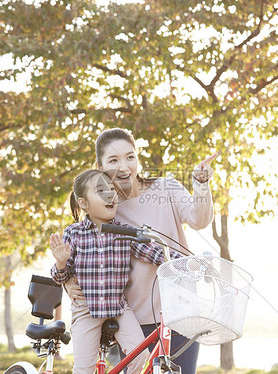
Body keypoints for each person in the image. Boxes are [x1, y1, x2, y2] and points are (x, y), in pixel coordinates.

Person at [61, 128, 216, 374]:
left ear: (137, 159)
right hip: (137, 319)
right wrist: (67, 281)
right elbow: (79, 251)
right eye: (113, 160)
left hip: (183, 310)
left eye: (130, 157)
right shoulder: (106, 210)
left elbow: (199, 219)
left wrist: (201, 185)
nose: (124, 167)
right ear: (100, 167)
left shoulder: (166, 188)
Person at [50, 169, 179, 374]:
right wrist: (61, 263)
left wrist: (187, 264)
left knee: (141, 359)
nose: (110, 195)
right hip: (86, 309)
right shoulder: (73, 233)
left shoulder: (124, 231)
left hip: (118, 307)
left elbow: (155, 253)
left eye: (112, 190)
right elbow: (60, 277)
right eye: (101, 191)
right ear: (83, 203)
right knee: (84, 369)